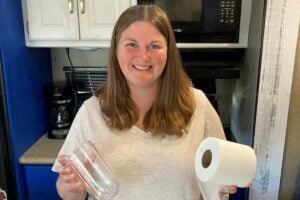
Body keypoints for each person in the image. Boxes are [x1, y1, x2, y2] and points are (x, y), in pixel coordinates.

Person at [52, 4, 239, 200]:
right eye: (131, 44)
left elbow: (219, 184)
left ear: (169, 52)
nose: (143, 56)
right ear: (116, 50)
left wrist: (224, 183)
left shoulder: (198, 105)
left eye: (154, 46)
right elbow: (71, 195)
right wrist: (70, 187)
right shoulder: (91, 113)